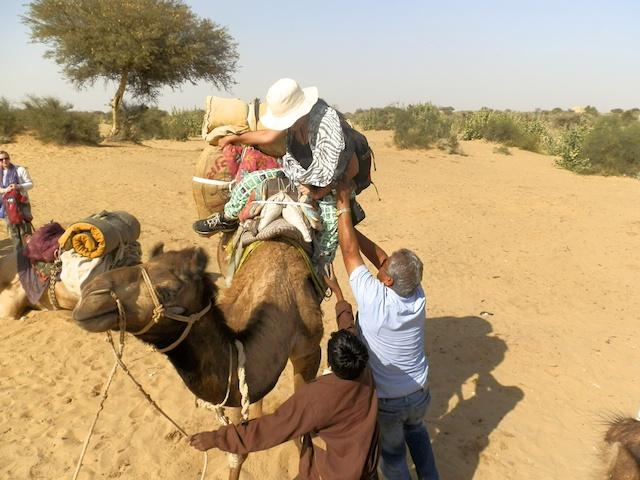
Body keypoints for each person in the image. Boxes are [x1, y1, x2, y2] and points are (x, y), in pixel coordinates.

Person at [189, 272, 379, 480]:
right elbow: (349, 330)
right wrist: (339, 295)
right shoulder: (363, 369)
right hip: (365, 469)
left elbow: (268, 430)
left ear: (331, 362)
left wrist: (215, 438)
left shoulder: (316, 398)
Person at [192, 78, 364, 270]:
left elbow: (352, 169)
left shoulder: (330, 127)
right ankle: (227, 218)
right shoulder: (295, 123)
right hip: (295, 175)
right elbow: (268, 135)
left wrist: (319, 192)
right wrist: (236, 138)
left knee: (328, 237)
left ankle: (319, 272)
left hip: (330, 187)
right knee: (250, 181)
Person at [334, 181, 439, 480]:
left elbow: (349, 251)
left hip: (389, 401)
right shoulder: (417, 295)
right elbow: (378, 257)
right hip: (419, 394)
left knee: (393, 459)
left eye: (385, 268)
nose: (381, 264)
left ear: (388, 281)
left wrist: (342, 206)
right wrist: (352, 227)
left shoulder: (375, 299)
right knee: (417, 434)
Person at [0, 150, 34, 248]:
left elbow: (30, 184)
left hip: (22, 203)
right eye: (1, 159)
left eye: (6, 158)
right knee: (13, 232)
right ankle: (19, 257)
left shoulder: (20, 170)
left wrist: (18, 186)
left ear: (9, 158)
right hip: (6, 205)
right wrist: (5, 190)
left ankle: (30, 255)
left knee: (26, 230)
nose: (4, 161)